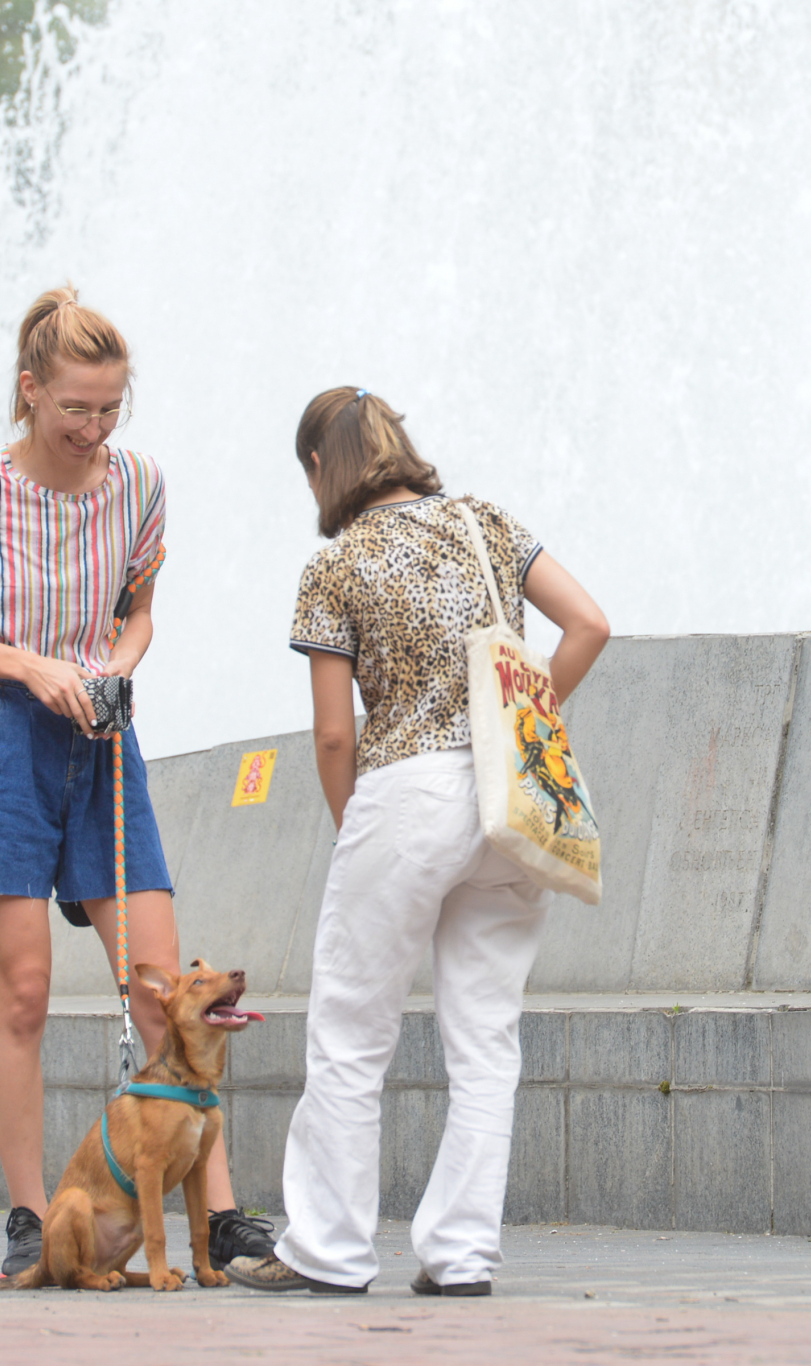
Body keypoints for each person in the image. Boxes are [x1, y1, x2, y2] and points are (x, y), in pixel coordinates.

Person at [0, 285, 272, 1277]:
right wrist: (28, 664)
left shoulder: (136, 483)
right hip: (9, 736)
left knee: (162, 985)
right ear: (29, 391)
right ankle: (29, 1213)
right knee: (23, 993)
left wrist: (118, 662)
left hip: (101, 737)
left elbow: (138, 612)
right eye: (73, 410)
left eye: (107, 409)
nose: (91, 429)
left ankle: (220, 1214)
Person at [228, 389, 610, 1296]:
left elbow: (332, 736)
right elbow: (590, 623)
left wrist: (352, 827)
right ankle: (462, 1255)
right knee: (485, 1038)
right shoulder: (483, 521)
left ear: (321, 468)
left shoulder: (336, 564)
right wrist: (523, 721)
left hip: (405, 792)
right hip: (505, 800)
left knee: (353, 1033)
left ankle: (329, 1251)